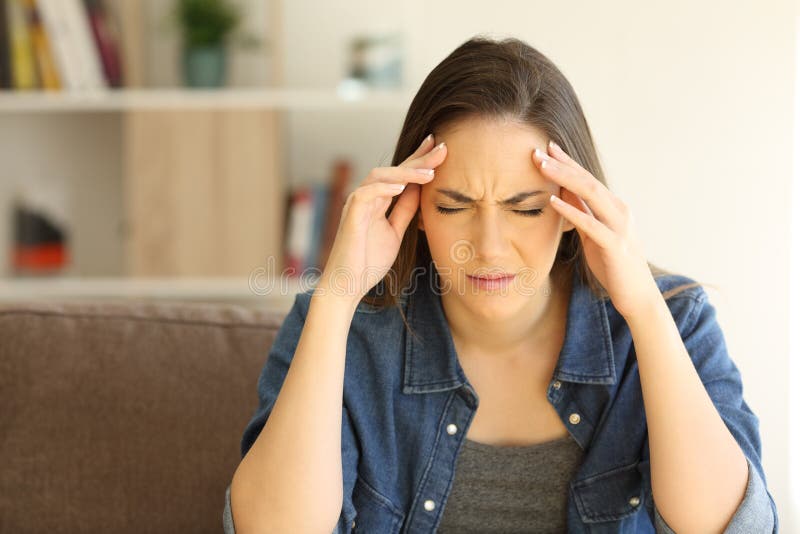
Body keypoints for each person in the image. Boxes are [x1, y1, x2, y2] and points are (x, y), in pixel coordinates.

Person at [223, 35, 778, 533]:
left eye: (526, 209)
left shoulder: (675, 321)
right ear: (414, 206)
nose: (488, 247)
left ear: (572, 209)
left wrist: (645, 312)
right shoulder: (342, 330)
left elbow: (735, 528)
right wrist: (339, 293)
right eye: (454, 205)